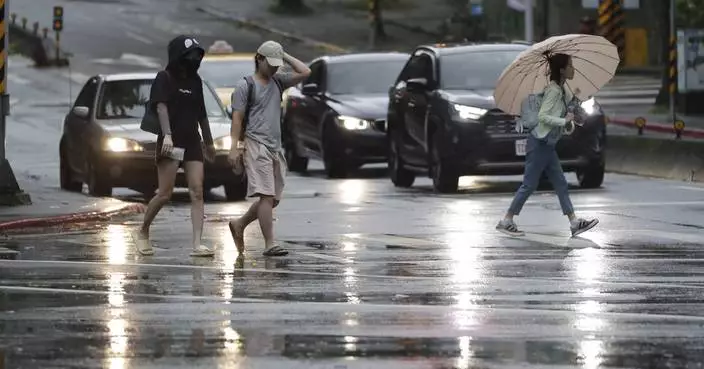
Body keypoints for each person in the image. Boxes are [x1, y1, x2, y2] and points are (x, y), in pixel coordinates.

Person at [496, 53, 599, 238]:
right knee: (529, 184)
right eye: (570, 66)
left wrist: (569, 119)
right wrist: (563, 120)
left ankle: (574, 222)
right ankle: (507, 220)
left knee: (560, 183)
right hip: (539, 142)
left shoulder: (561, 91)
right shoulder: (553, 91)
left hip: (547, 143)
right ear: (561, 70)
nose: (572, 69)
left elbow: (563, 122)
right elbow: (543, 117)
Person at [132, 35, 216, 257]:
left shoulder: (196, 81)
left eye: (198, 55)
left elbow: (202, 114)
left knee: (197, 191)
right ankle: (142, 231)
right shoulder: (165, 78)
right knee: (165, 193)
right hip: (171, 142)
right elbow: (161, 107)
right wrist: (167, 136)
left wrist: (209, 143)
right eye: (191, 55)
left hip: (192, 142)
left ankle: (197, 243)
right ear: (180, 56)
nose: (195, 60)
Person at [227, 41, 311, 257]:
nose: (274, 68)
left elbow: (305, 72)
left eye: (277, 64)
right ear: (259, 59)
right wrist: (234, 148)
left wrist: (284, 55)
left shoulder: (279, 81)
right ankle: (269, 244)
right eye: (270, 63)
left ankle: (239, 224)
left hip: (275, 147)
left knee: (272, 199)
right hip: (255, 144)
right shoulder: (245, 85)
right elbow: (237, 119)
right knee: (266, 195)